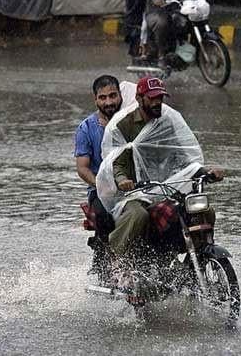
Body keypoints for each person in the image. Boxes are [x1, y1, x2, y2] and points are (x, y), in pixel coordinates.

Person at [96, 76, 224, 263]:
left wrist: (204, 171)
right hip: (133, 192)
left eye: (160, 98)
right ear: (139, 98)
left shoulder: (167, 121)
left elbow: (181, 156)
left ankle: (196, 256)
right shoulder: (123, 124)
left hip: (164, 186)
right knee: (138, 215)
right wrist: (123, 180)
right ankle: (118, 261)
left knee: (203, 210)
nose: (157, 103)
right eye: (152, 98)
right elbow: (117, 162)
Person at [74, 75, 124, 280]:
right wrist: (102, 185)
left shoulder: (129, 121)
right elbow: (82, 168)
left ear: (121, 95)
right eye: (103, 97)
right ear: (95, 100)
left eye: (113, 95)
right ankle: (107, 258)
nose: (109, 102)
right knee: (104, 214)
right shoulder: (86, 128)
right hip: (100, 192)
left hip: (133, 187)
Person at [140, 0, 211, 68]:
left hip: (175, 6)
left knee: (191, 20)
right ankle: (161, 56)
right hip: (155, 9)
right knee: (162, 23)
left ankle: (188, 50)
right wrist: (155, 0)